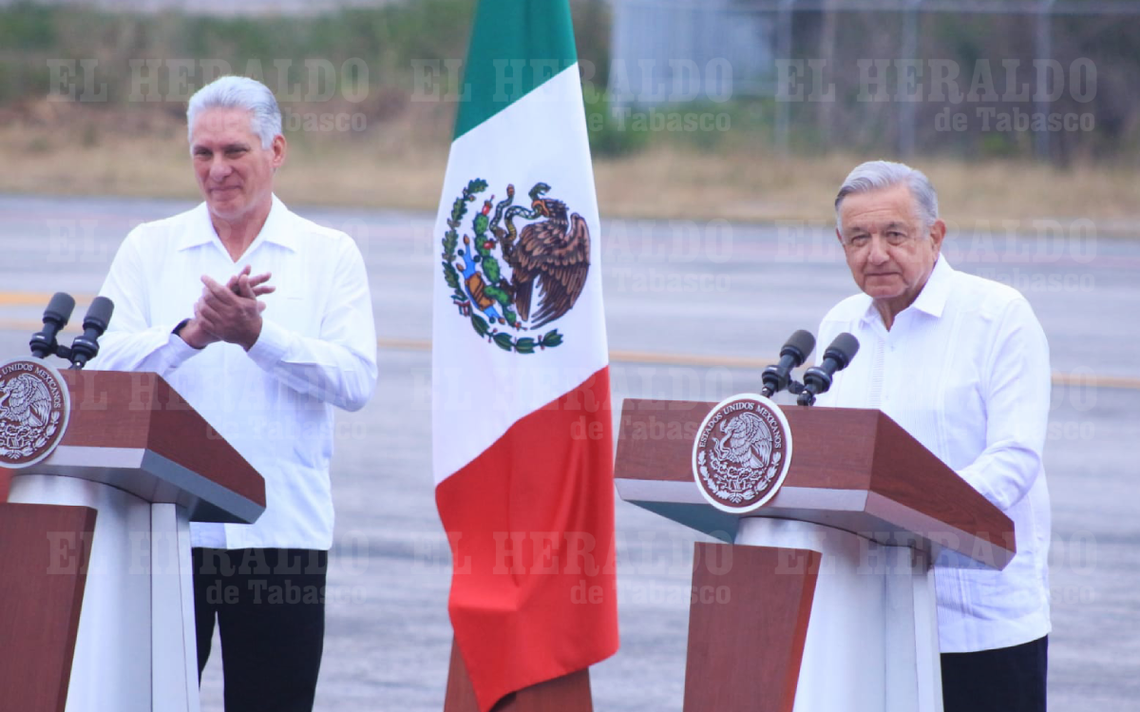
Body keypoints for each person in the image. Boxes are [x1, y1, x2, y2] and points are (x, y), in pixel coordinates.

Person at [92, 75, 377, 712]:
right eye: (203, 153)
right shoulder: (151, 246)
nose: (217, 170)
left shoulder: (329, 254)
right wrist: (191, 334)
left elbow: (356, 380)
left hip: (281, 534)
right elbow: (101, 365)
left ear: (276, 151)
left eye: (234, 152)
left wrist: (257, 337)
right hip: (162, 532)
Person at [816, 160, 1051, 712]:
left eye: (894, 234)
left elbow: (1013, 461)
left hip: (977, 624)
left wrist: (909, 518)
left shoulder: (998, 316)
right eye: (859, 238)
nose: (876, 253)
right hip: (866, 619)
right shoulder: (839, 327)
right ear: (840, 244)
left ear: (935, 235)